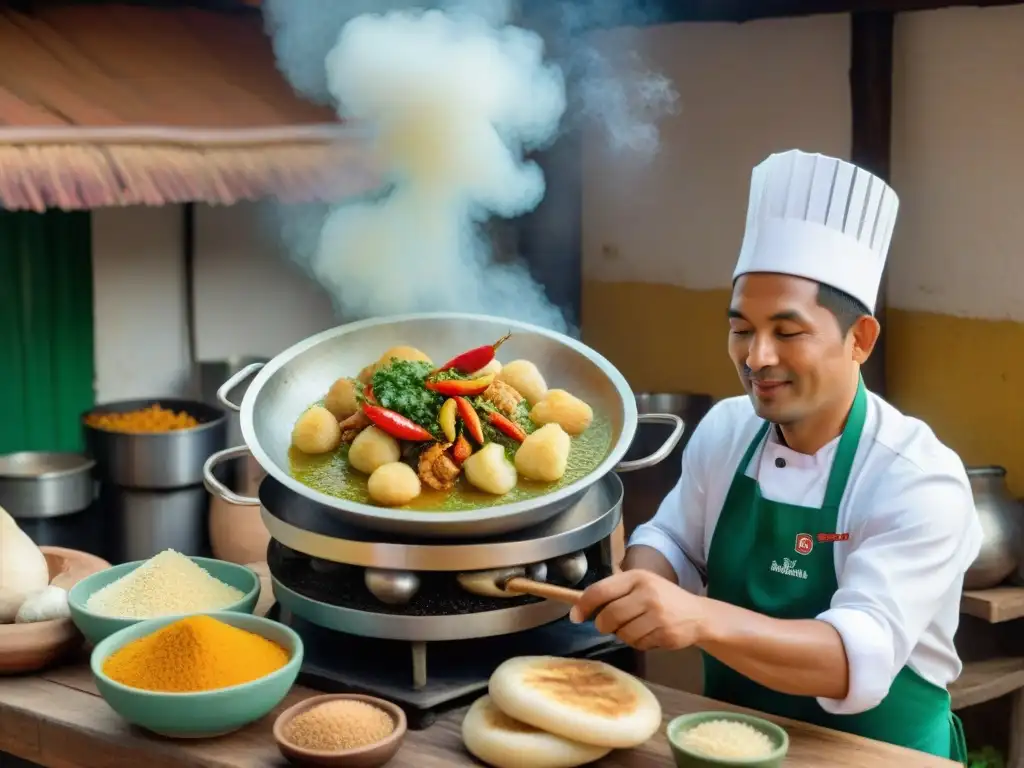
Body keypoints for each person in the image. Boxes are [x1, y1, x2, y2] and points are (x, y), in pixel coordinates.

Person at [571, 149, 982, 762]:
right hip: (728, 748)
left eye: (787, 333)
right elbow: (676, 541)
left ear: (860, 339)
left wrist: (699, 618)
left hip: (878, 756)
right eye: (741, 329)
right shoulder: (728, 429)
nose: (756, 357)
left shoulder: (917, 480)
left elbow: (854, 657)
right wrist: (643, 581)